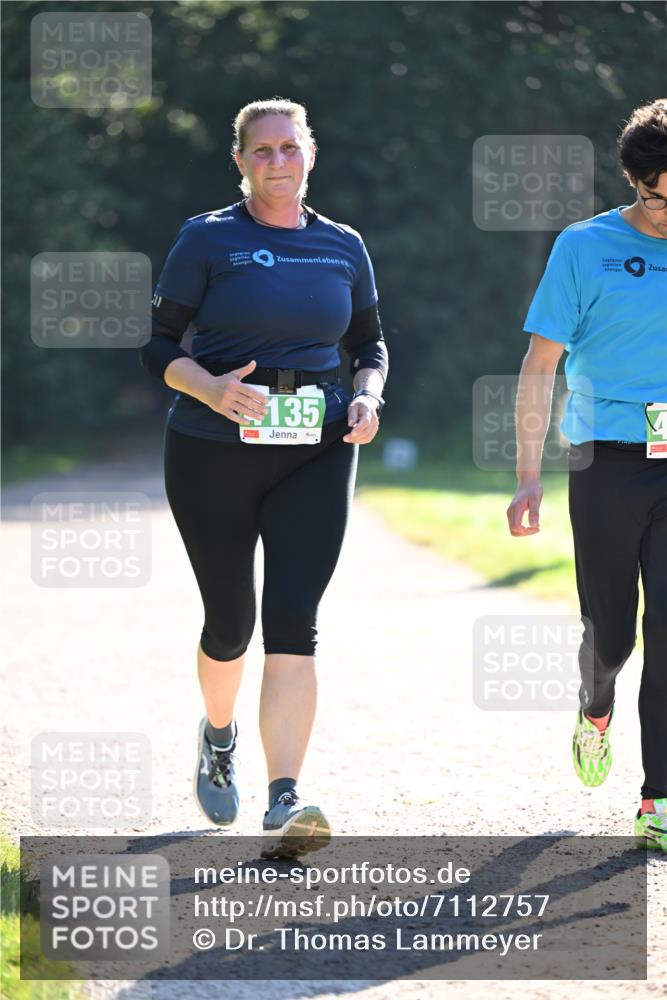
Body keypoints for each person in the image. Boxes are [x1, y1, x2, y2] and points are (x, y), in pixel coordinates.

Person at [140, 98, 388, 858]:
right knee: (230, 623)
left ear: (309, 155)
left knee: (293, 622)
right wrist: (212, 388)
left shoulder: (342, 245)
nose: (277, 161)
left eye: (289, 148)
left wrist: (370, 396)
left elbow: (370, 343)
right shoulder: (207, 238)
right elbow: (156, 346)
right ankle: (219, 736)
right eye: (262, 150)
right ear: (240, 160)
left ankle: (284, 800)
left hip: (317, 448)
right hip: (213, 447)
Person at [507, 99, 667, 852]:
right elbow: (540, 366)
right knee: (610, 633)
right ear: (635, 181)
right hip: (604, 462)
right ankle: (594, 703)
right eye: (658, 194)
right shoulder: (583, 246)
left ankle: (656, 800)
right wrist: (527, 475)